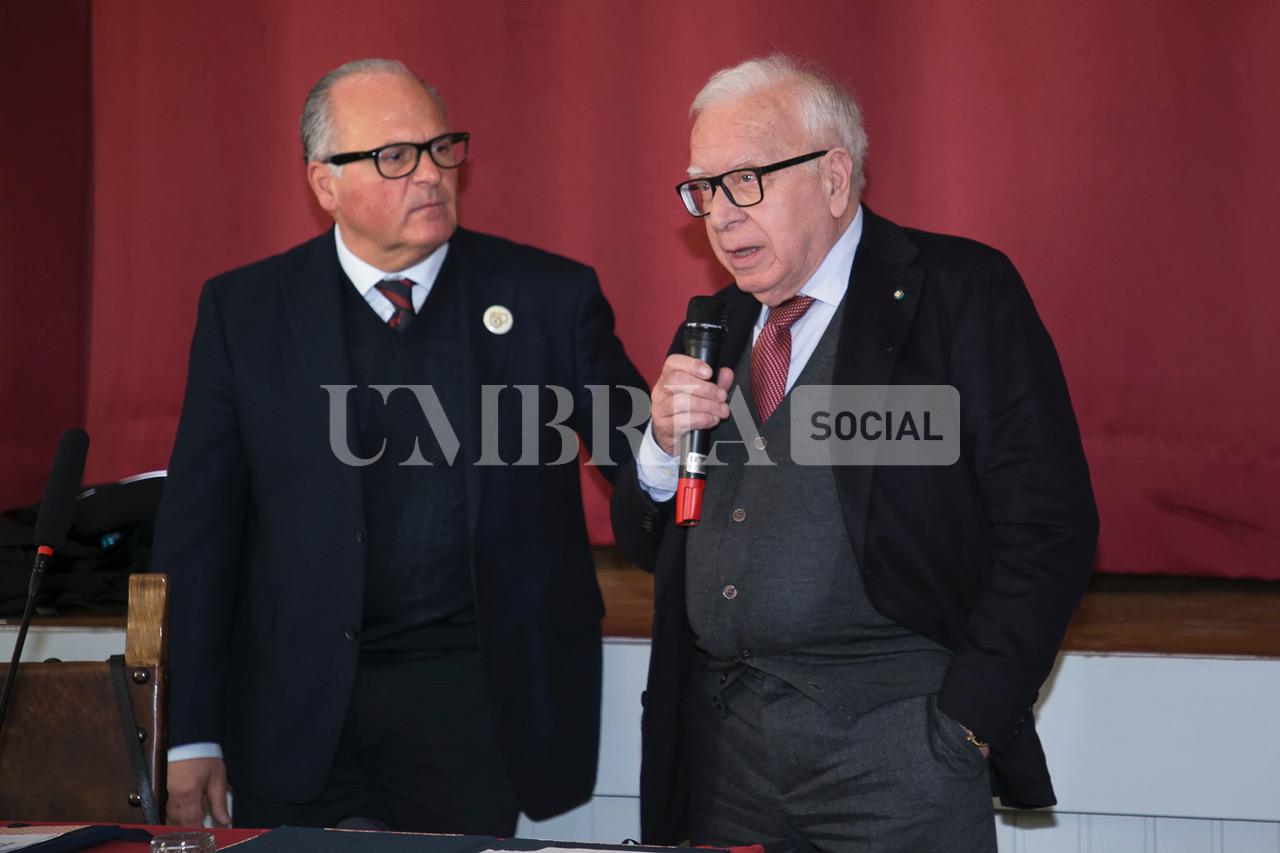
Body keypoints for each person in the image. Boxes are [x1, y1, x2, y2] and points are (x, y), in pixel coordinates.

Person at [611, 54, 1099, 852]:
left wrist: (965, 725)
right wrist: (660, 448)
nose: (721, 215)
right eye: (703, 188)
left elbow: (1050, 527)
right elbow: (648, 541)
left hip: (900, 752)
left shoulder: (958, 293)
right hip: (727, 756)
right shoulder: (716, 325)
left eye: (746, 180)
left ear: (835, 179)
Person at [154, 58, 644, 832]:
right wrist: (189, 731)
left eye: (441, 147)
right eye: (394, 157)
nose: (430, 174)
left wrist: (677, 439)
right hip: (294, 700)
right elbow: (199, 534)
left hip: (470, 702)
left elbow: (641, 457)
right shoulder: (244, 311)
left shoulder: (549, 297)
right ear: (324, 183)